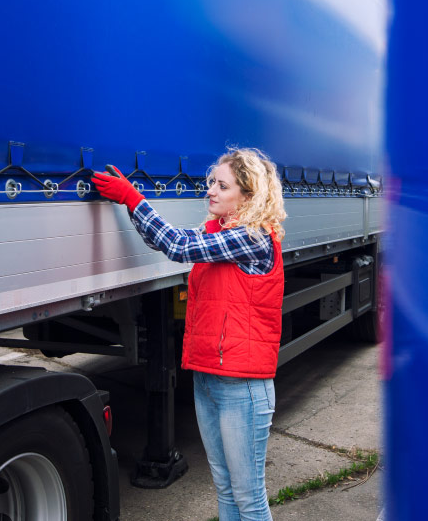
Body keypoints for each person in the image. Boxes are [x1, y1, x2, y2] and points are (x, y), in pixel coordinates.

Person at [92, 148, 286, 521]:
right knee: (225, 489)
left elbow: (179, 246)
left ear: (248, 195)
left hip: (242, 387)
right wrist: (131, 206)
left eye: (222, 185)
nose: (210, 190)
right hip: (208, 378)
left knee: (248, 498)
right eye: (211, 182)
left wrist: (133, 198)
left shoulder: (253, 238)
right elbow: (166, 240)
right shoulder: (217, 234)